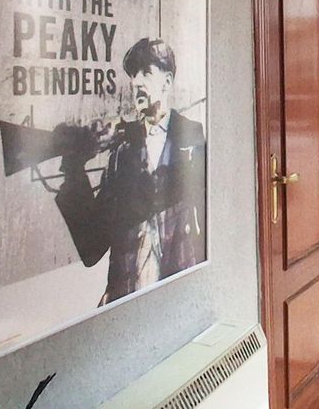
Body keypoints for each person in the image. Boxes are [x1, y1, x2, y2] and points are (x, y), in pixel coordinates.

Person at [54, 37, 206, 305]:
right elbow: (92, 247)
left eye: (146, 72)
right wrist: (74, 170)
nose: (136, 82)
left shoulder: (192, 138)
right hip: (128, 299)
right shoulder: (122, 153)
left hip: (179, 297)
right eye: (133, 75)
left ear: (167, 82)